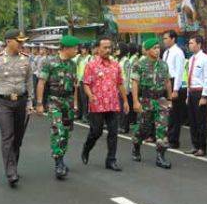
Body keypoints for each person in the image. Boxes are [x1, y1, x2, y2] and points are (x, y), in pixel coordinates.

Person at [0, 29, 33, 187]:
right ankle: (11, 171)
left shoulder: (26, 60)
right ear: (9, 41)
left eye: (23, 41)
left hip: (21, 102)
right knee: (7, 136)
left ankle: (13, 164)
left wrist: (30, 103)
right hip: (3, 103)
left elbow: (29, 82)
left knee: (18, 137)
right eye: (19, 41)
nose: (22, 44)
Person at [35, 35, 80, 180]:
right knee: (58, 130)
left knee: (66, 132)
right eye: (75, 48)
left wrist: (75, 104)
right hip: (54, 101)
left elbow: (75, 86)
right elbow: (41, 83)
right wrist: (40, 103)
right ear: (66, 48)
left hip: (68, 101)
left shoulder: (73, 64)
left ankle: (61, 157)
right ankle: (58, 162)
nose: (77, 50)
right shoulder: (49, 62)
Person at [81, 37, 129, 171]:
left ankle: (111, 160)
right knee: (96, 132)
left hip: (113, 104)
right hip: (97, 105)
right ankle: (87, 148)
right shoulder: (91, 65)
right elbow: (86, 84)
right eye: (105, 48)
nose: (108, 50)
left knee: (113, 133)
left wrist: (125, 101)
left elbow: (120, 84)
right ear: (98, 49)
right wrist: (90, 95)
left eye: (109, 48)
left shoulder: (116, 65)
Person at [131, 38, 173, 169]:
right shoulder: (139, 64)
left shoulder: (163, 65)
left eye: (158, 47)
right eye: (154, 48)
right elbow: (135, 83)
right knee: (143, 128)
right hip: (146, 100)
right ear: (148, 50)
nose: (157, 50)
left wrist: (170, 99)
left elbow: (167, 82)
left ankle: (161, 156)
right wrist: (136, 102)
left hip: (161, 100)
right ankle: (136, 146)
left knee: (162, 128)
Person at [185, 35, 207, 157]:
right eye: (189, 43)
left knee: (201, 121)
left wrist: (205, 96)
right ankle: (195, 145)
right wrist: (187, 95)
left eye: (192, 43)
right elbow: (189, 78)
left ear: (199, 44)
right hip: (191, 92)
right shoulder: (191, 59)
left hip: (200, 92)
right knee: (193, 121)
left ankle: (202, 147)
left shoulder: (205, 59)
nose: (190, 45)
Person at [162, 30, 185, 149]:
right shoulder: (166, 52)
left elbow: (179, 72)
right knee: (169, 112)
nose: (164, 41)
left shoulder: (178, 52)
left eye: (166, 38)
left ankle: (174, 140)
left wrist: (175, 89)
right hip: (166, 82)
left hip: (174, 82)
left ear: (173, 39)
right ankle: (169, 136)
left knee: (175, 114)